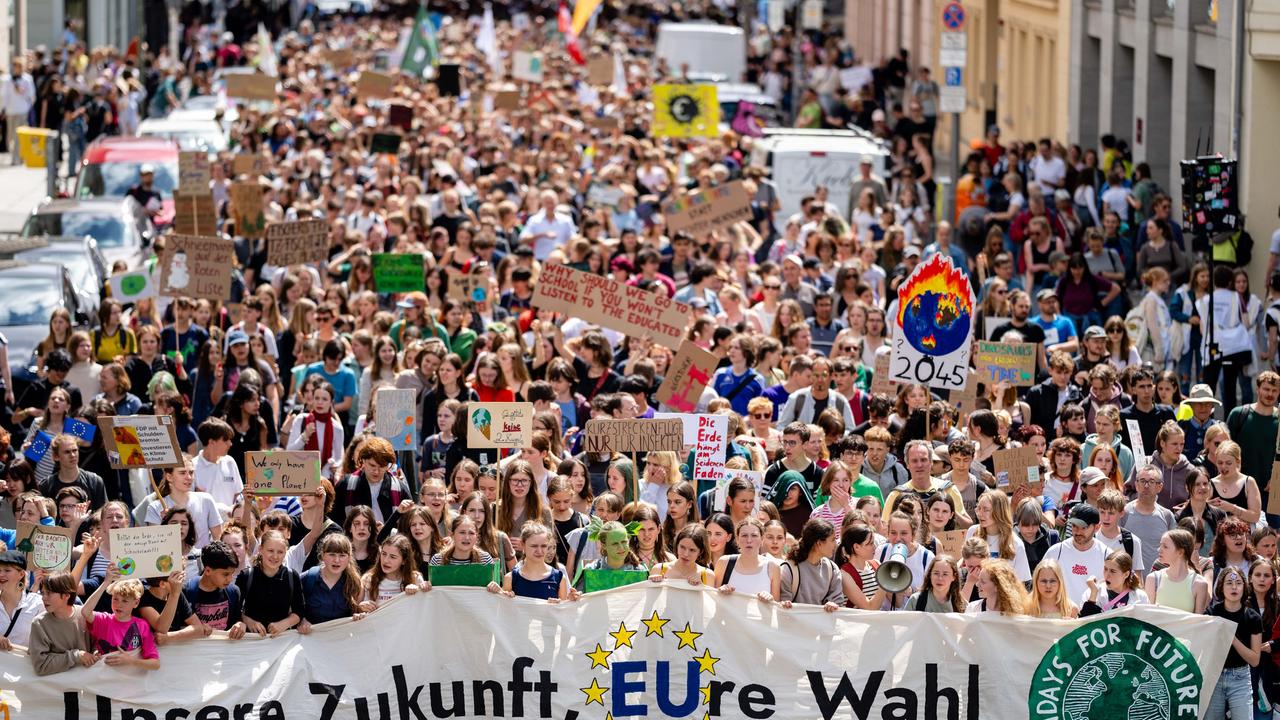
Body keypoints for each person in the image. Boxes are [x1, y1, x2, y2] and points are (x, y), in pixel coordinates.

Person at [1204, 566, 1262, 720]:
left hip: (1241, 678)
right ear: (1221, 587)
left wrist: (1232, 638)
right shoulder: (1211, 614)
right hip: (1214, 677)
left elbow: (1255, 660)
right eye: (1229, 583)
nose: (1234, 587)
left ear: (1245, 586)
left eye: (1238, 583)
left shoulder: (1253, 617)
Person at [80, 568, 160, 670]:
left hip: (129, 683)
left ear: (136, 603)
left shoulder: (142, 626)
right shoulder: (103, 620)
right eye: (115, 599)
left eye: (125, 601)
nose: (118, 605)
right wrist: (106, 582)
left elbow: (155, 664)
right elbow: (85, 611)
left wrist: (131, 661)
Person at [28, 571, 97, 676]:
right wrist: (76, 656)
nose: (43, 597)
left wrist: (97, 653)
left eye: (49, 593)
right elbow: (41, 665)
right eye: (42, 593)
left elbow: (100, 644)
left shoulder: (86, 615)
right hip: (53, 690)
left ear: (66, 595)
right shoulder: (39, 623)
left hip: (86, 686)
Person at [1040, 504, 1110, 602]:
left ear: (1097, 527)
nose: (1078, 532)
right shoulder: (1055, 552)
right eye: (1074, 526)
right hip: (1062, 615)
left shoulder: (1107, 555)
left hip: (1095, 616)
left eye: (1083, 527)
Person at [489, 523, 573, 602]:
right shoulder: (511, 578)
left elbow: (563, 614)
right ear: (522, 545)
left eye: (544, 546)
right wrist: (499, 593)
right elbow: (502, 611)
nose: (539, 551)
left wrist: (561, 604)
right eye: (534, 546)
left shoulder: (559, 578)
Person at [182, 541, 248, 638]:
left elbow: (237, 620)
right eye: (225, 574)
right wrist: (197, 629)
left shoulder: (233, 592)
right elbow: (178, 627)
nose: (230, 579)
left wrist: (240, 625)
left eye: (232, 573)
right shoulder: (187, 591)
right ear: (208, 570)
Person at [777, 518, 844, 611]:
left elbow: (838, 600)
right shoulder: (788, 569)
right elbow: (782, 604)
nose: (835, 544)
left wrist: (833, 604)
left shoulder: (832, 569)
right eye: (832, 540)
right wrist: (785, 604)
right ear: (819, 543)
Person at [714, 517, 781, 602]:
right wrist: (720, 592)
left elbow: (777, 607)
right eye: (744, 535)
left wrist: (770, 599)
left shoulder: (773, 567)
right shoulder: (724, 562)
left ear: (762, 539)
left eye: (754, 535)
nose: (749, 540)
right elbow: (711, 599)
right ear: (737, 539)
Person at [1145, 529, 1211, 613]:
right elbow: (1147, 617)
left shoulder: (1200, 583)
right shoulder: (1153, 579)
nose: (1159, 550)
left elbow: (1198, 622)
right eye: (1160, 545)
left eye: (1165, 546)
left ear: (1180, 552)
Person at [1079, 550, 1149, 615]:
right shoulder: (1092, 592)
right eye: (1105, 569)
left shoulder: (1140, 597)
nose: (1107, 575)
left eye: (1113, 571)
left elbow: (1146, 623)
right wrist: (1093, 594)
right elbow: (1084, 624)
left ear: (1126, 574)